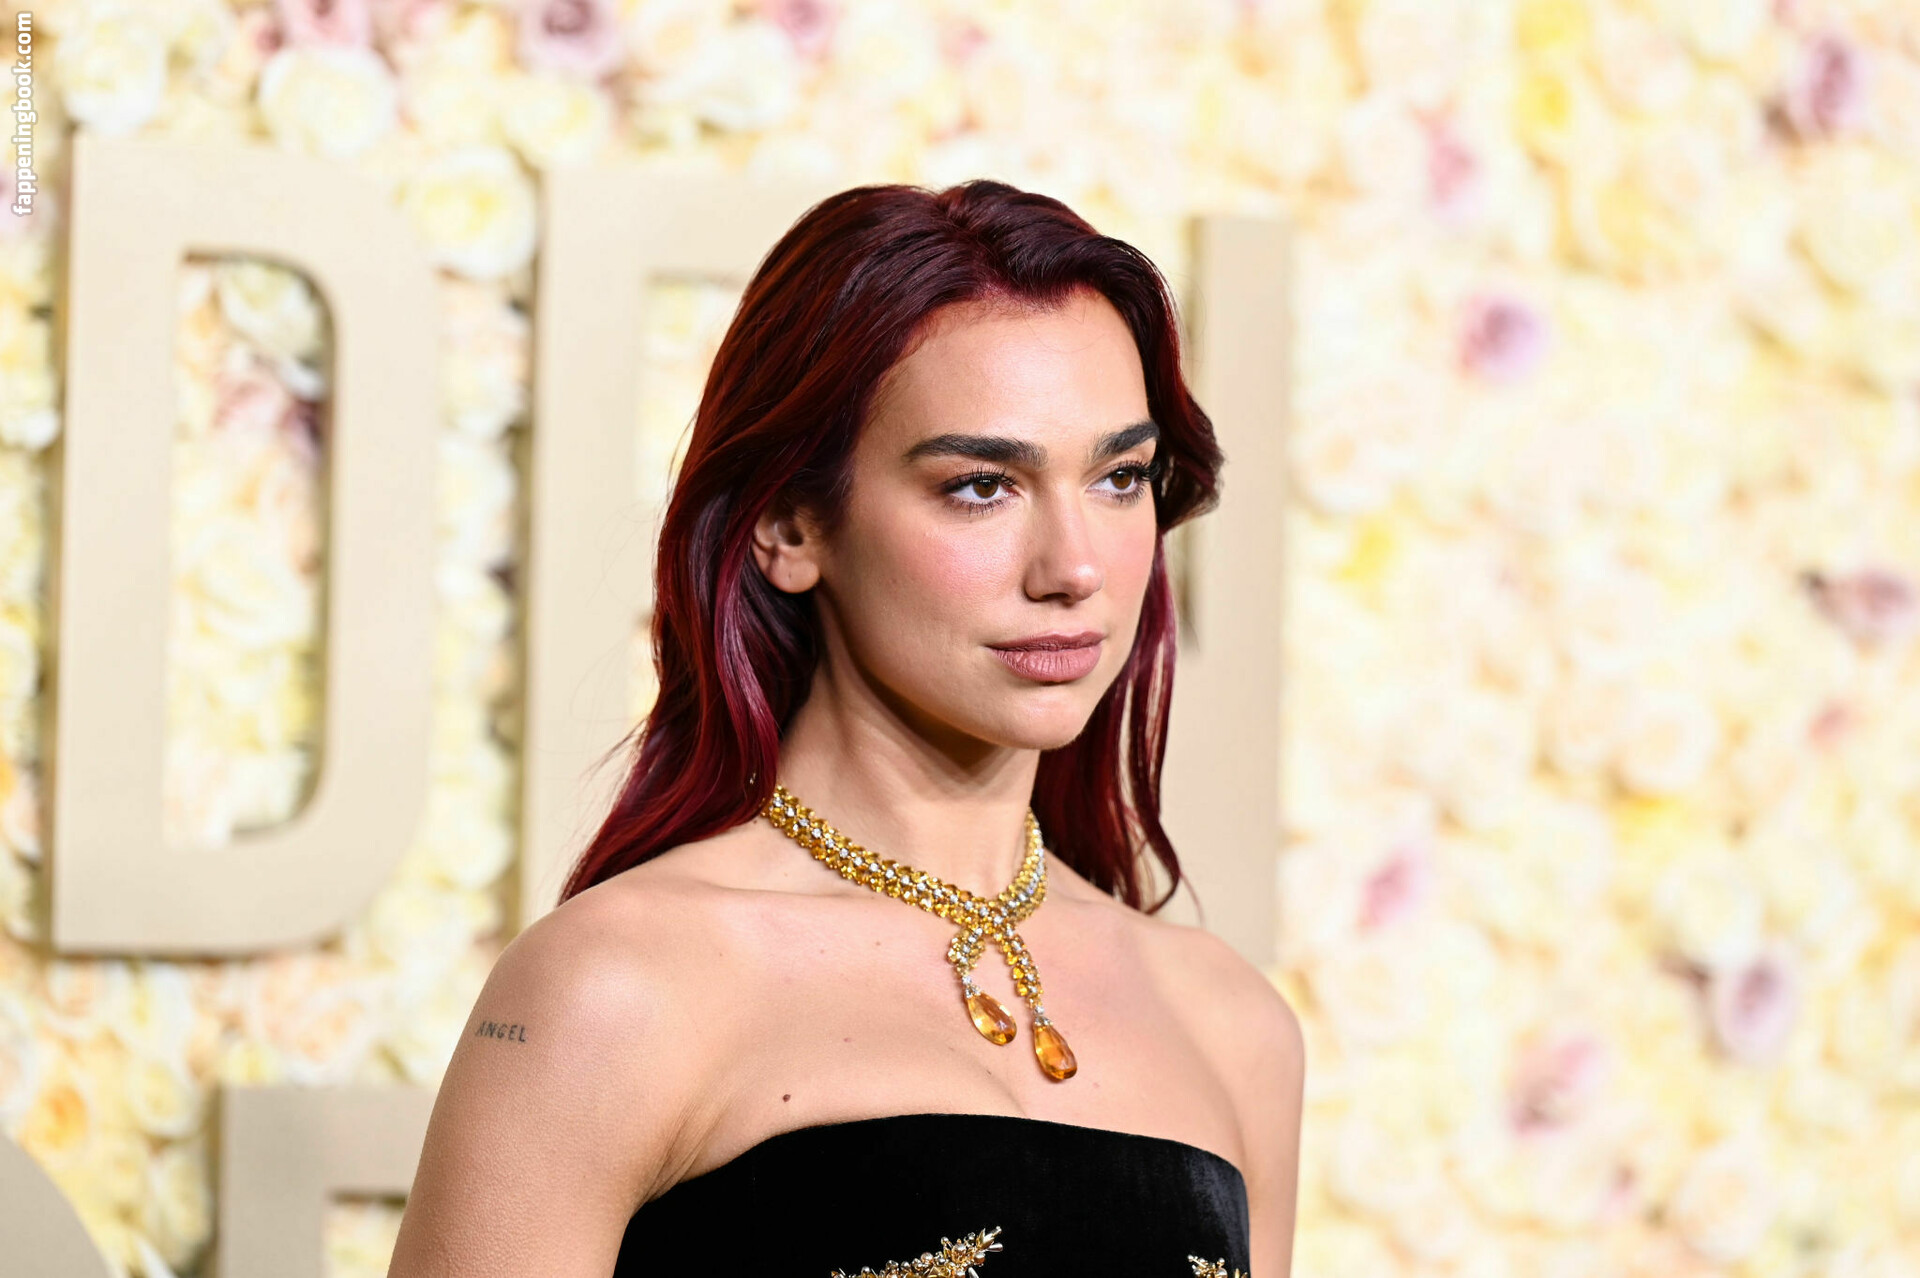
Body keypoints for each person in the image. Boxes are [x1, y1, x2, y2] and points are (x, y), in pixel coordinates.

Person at [387, 180, 1304, 1278]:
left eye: (1119, 478)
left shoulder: (1230, 1025)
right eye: (982, 486)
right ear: (788, 523)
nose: (1074, 569)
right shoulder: (617, 988)